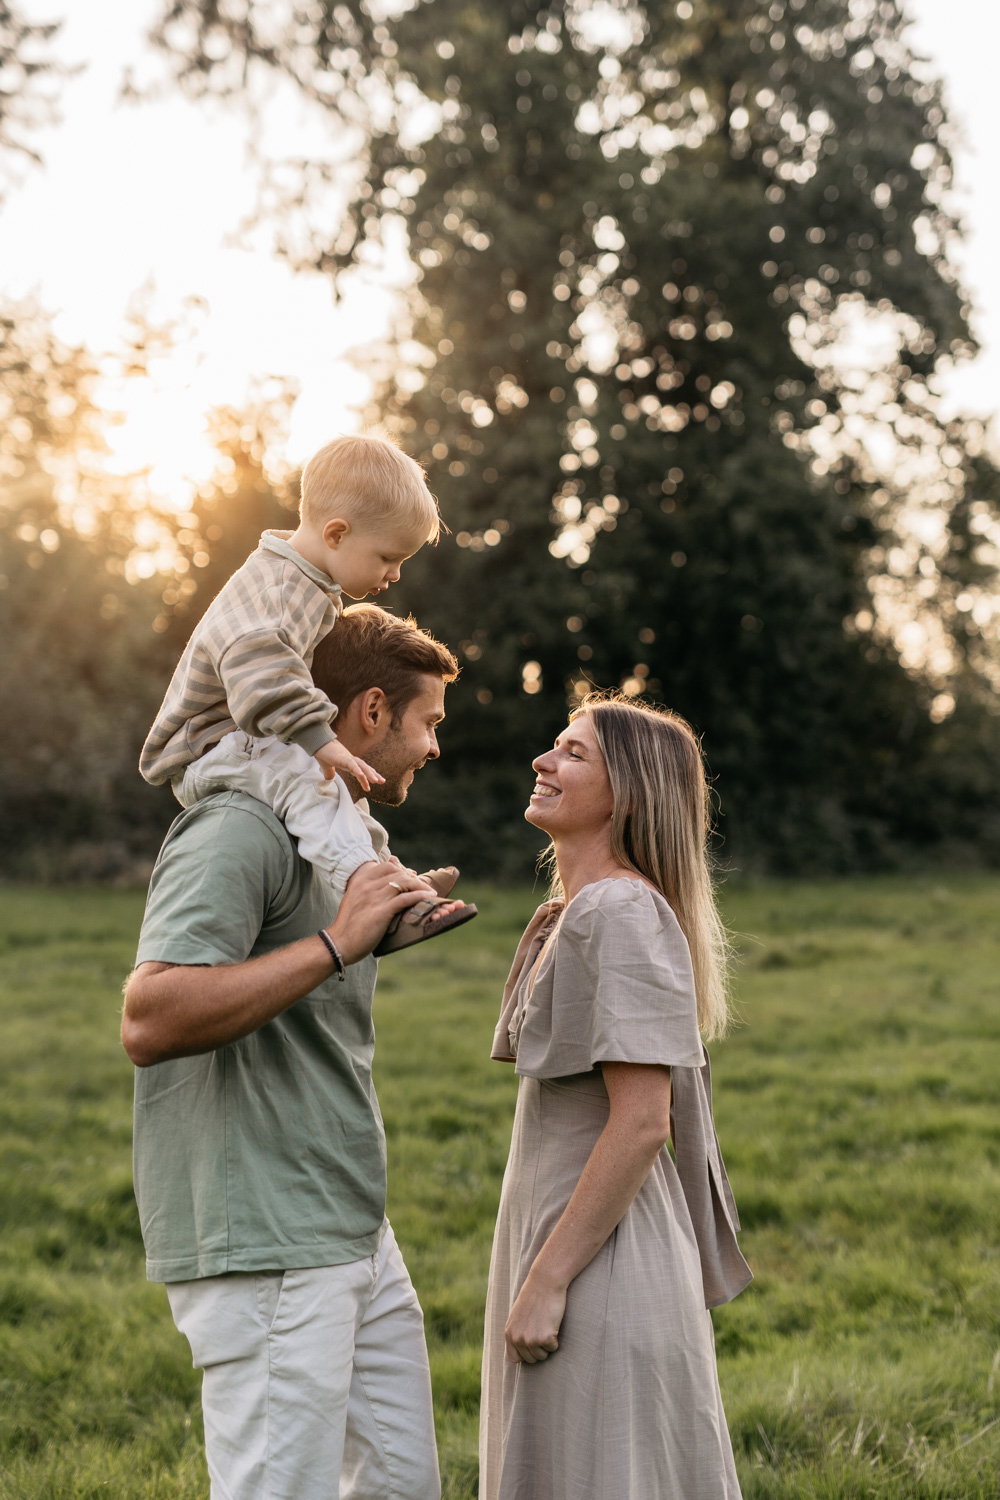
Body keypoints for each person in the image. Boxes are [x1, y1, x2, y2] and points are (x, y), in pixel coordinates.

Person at [122, 605, 463, 1500]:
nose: (432, 748)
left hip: (351, 1222)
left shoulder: (337, 838)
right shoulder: (238, 826)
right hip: (268, 1240)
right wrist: (337, 946)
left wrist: (381, 926)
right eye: (428, 723)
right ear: (373, 712)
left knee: (401, 1486)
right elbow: (149, 1017)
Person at [480, 692, 752, 1500]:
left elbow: (640, 1124)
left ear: (626, 792)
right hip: (567, 1239)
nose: (543, 760)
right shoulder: (576, 909)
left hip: (598, 1263)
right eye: (553, 744)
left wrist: (549, 1279)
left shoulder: (618, 911)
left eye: (572, 752)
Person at [139, 432, 473, 954]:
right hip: (207, 743)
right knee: (310, 778)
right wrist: (320, 738)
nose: (395, 574)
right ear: (336, 534)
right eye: (387, 556)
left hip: (244, 738)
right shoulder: (279, 589)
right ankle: (371, 896)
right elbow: (260, 671)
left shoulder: (307, 585)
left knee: (339, 794)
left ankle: (395, 886)